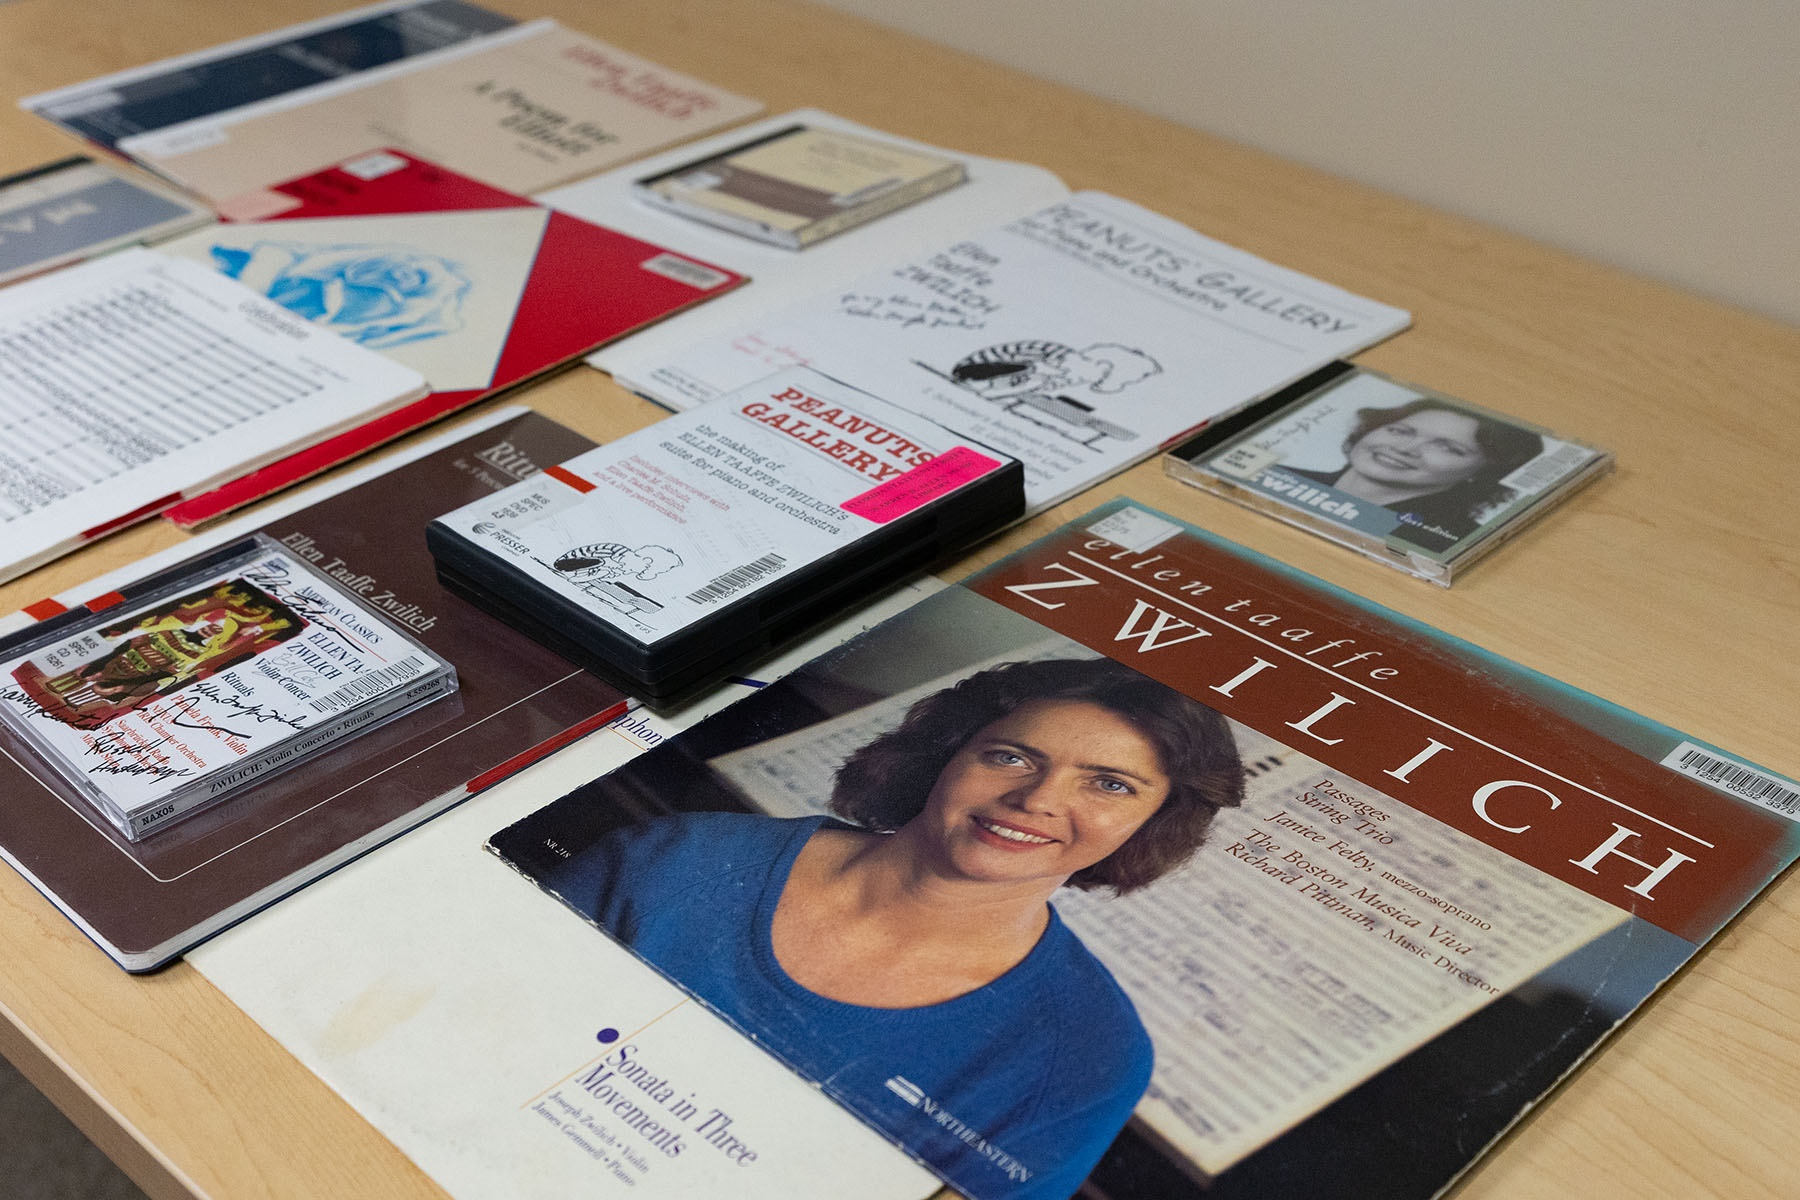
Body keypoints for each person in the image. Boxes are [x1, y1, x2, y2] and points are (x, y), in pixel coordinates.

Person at [547, 657, 1245, 1200]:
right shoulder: (680, 858)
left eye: (1111, 784)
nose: (1036, 799)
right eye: (1010, 756)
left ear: (1154, 823)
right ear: (945, 756)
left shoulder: (1092, 1055)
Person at [1286, 400, 1544, 549]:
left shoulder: (1452, 543)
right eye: (1399, 431)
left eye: (1448, 448)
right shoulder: (1278, 477)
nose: (1404, 448)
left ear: (1484, 473)